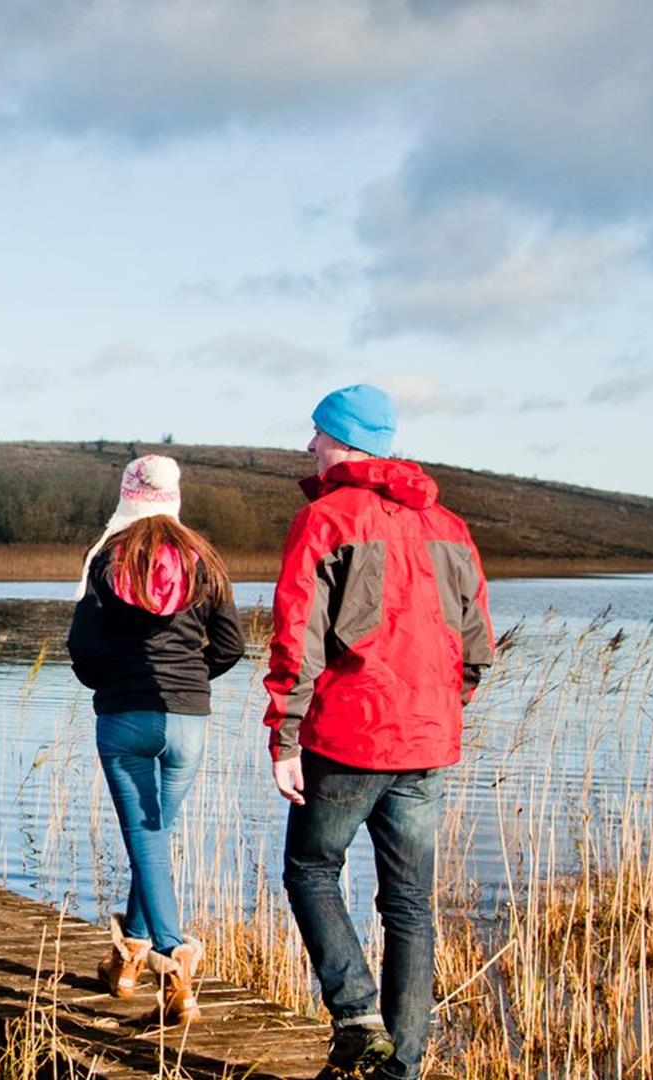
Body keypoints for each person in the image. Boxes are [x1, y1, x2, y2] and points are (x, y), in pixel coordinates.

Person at [263, 385, 495, 1079]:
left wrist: (284, 736)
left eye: (317, 433)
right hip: (427, 741)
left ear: (344, 439)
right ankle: (404, 1068)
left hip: (349, 735)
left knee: (309, 868)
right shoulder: (449, 526)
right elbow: (477, 642)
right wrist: (446, 705)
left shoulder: (326, 520)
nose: (308, 445)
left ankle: (358, 1015)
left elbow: (296, 638)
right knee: (408, 905)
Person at [67, 454, 244, 1023]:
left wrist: (113, 683)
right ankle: (126, 964)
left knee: (147, 843)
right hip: (189, 721)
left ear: (126, 497)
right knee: (154, 842)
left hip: (125, 720)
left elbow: (83, 649)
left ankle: (173, 958)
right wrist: (192, 680)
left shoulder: (108, 559)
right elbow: (231, 645)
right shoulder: (205, 560)